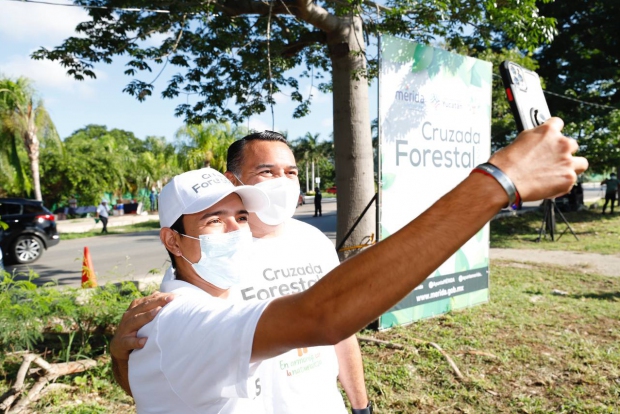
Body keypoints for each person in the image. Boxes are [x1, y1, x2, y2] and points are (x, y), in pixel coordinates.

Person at [127, 117, 587, 413]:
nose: (236, 231)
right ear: (172, 239)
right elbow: (324, 315)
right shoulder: (175, 315)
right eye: (214, 220)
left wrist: (119, 357)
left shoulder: (159, 325)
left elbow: (155, 377)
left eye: (242, 216)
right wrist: (498, 182)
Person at [114, 132, 370, 413]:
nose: (282, 182)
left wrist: (360, 406)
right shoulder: (206, 275)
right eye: (267, 172)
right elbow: (165, 375)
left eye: (290, 172)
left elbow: (341, 330)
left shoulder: (314, 241)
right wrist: (122, 356)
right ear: (232, 180)